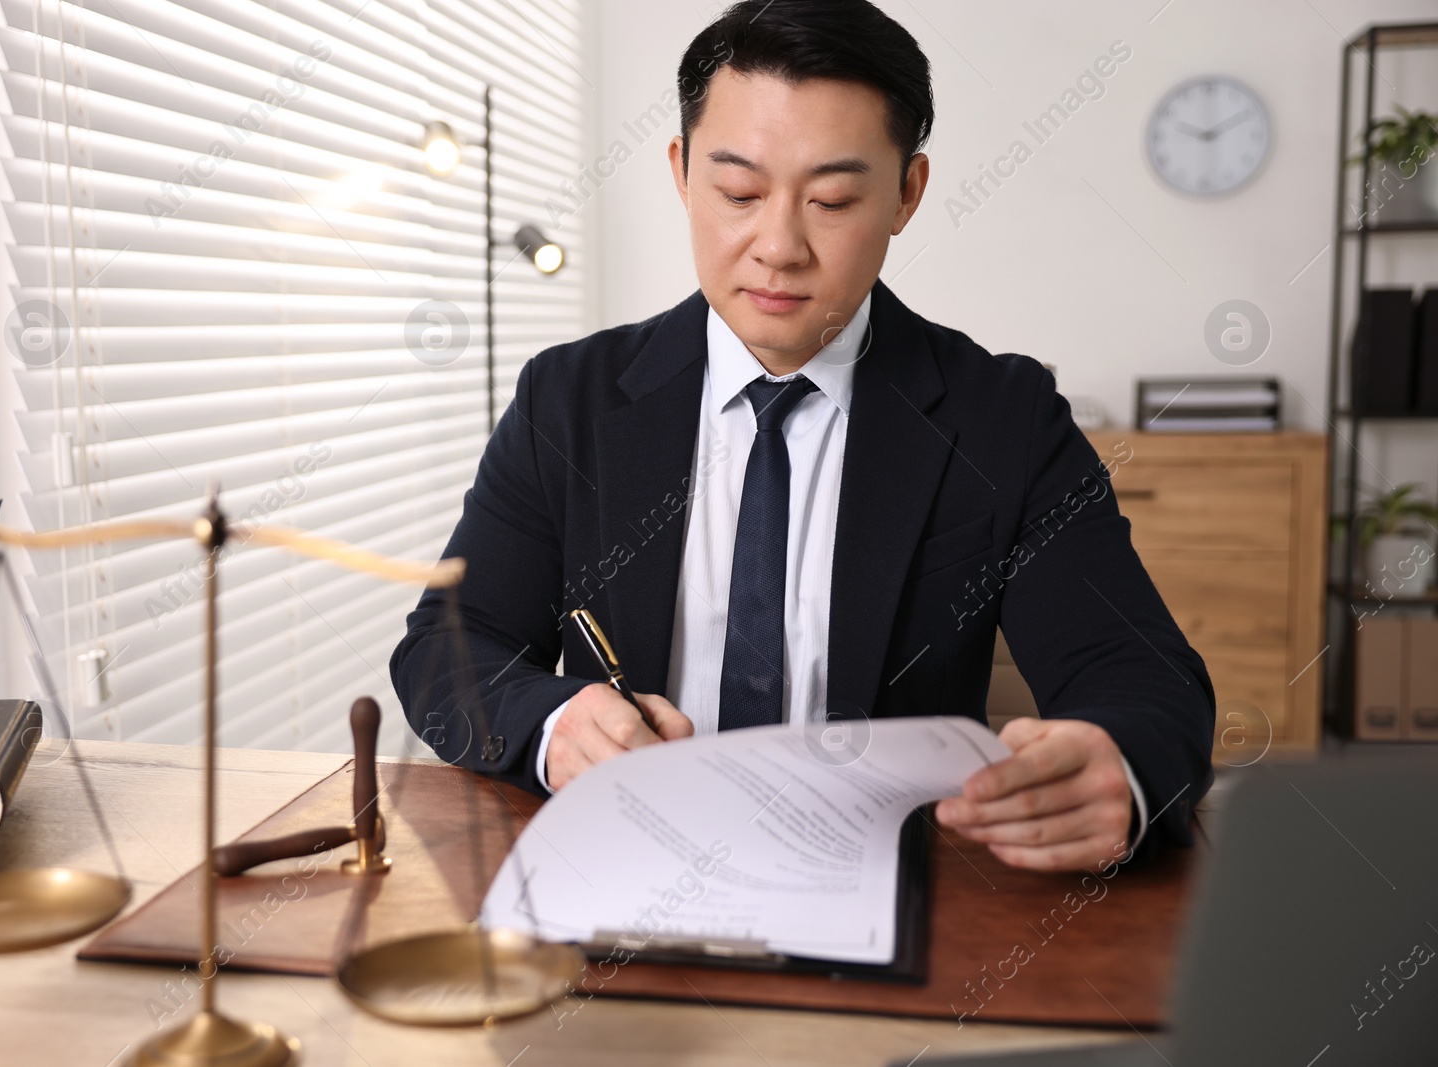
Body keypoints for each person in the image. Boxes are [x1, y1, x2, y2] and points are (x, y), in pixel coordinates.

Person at [392, 0, 1213, 871]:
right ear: (680, 174)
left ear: (907, 193)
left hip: (889, 883)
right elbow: (448, 647)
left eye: (831, 199)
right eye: (739, 193)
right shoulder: (568, 400)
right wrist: (556, 724)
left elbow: (1143, 675)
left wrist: (1115, 771)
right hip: (622, 864)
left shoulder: (1002, 416)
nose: (777, 246)